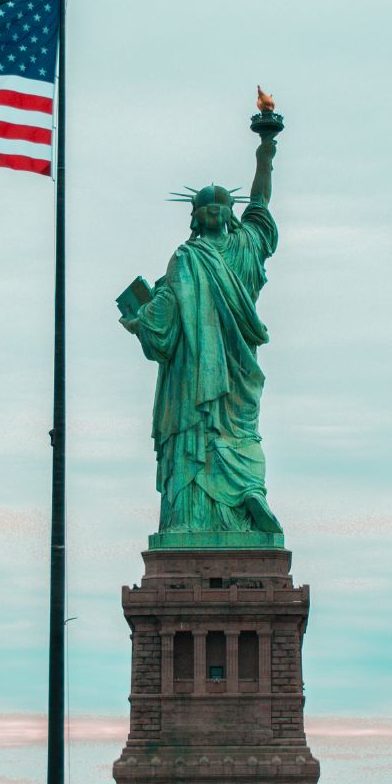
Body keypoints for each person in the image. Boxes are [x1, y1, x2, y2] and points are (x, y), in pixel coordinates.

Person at [122, 119, 284, 538]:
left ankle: (191, 519)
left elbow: (162, 321)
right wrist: (265, 148)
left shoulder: (185, 258)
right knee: (240, 432)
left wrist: (137, 322)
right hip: (236, 371)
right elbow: (262, 201)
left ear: (195, 218)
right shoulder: (246, 246)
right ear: (229, 214)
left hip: (195, 376)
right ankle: (248, 492)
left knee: (197, 431)